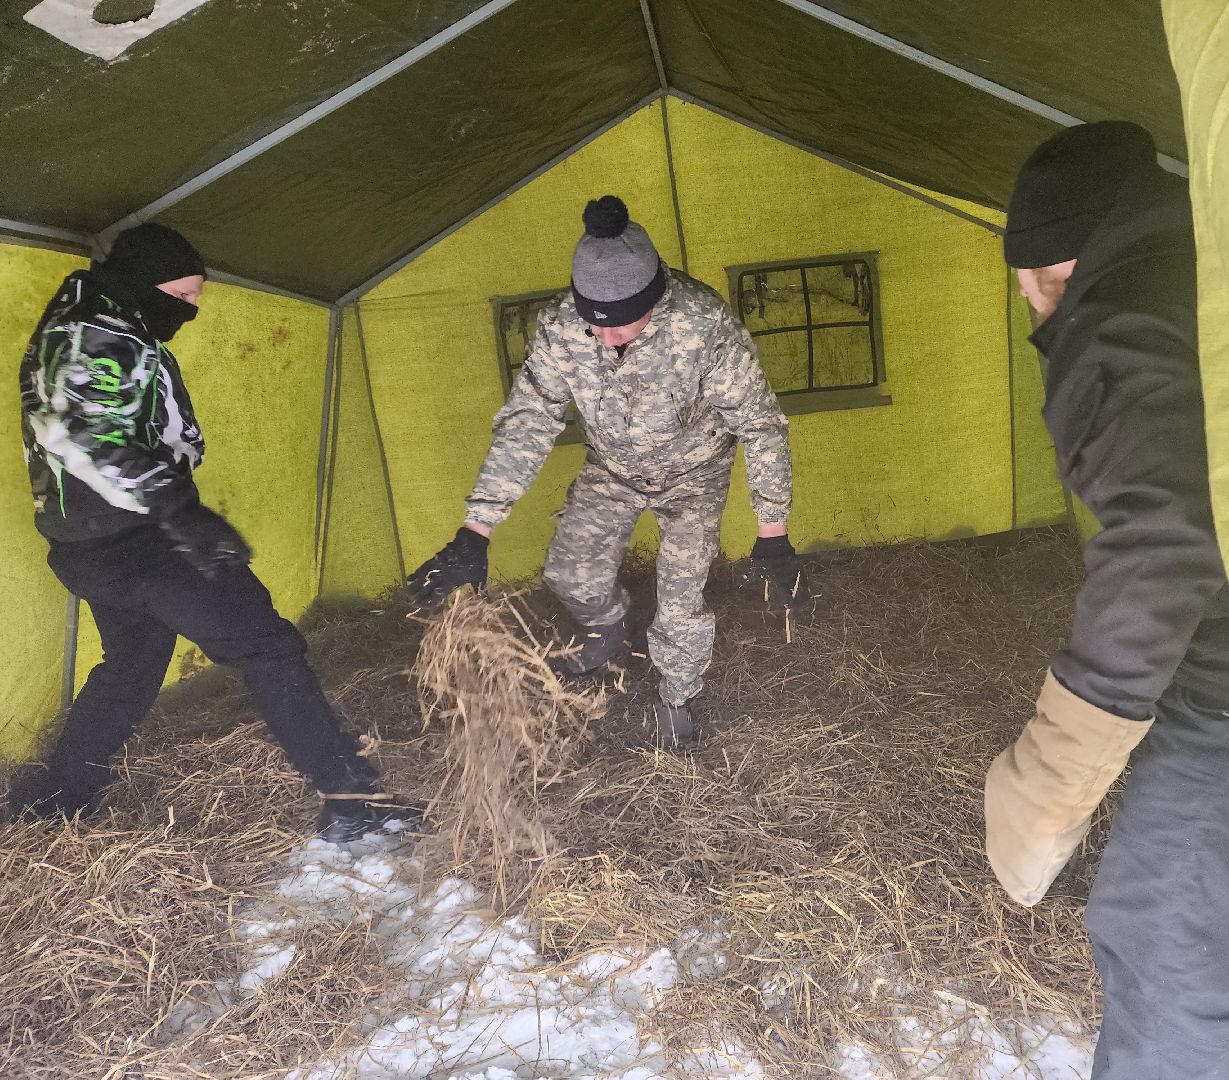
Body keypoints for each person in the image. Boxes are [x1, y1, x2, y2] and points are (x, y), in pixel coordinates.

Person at [983, 123, 1229, 1079]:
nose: (1034, 305)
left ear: (1058, 265)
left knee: (1167, 965)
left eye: (1036, 282)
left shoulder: (1124, 319)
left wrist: (1054, 773)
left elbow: (1162, 543)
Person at [13, 223, 415, 842]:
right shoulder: (94, 333)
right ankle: (351, 800)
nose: (193, 309)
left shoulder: (99, 321)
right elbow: (82, 433)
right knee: (269, 648)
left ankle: (57, 801)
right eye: (186, 295)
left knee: (131, 665)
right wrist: (180, 511)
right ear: (149, 285)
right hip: (142, 540)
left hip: (95, 540)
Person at [408, 196, 803, 746]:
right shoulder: (562, 327)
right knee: (568, 573)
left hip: (695, 473)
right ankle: (612, 629)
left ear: (655, 298)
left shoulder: (704, 322)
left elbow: (761, 423)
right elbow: (528, 421)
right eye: (597, 325)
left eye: (623, 325)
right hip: (613, 468)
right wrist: (475, 531)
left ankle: (678, 696)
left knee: (681, 597)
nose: (608, 337)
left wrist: (772, 531)